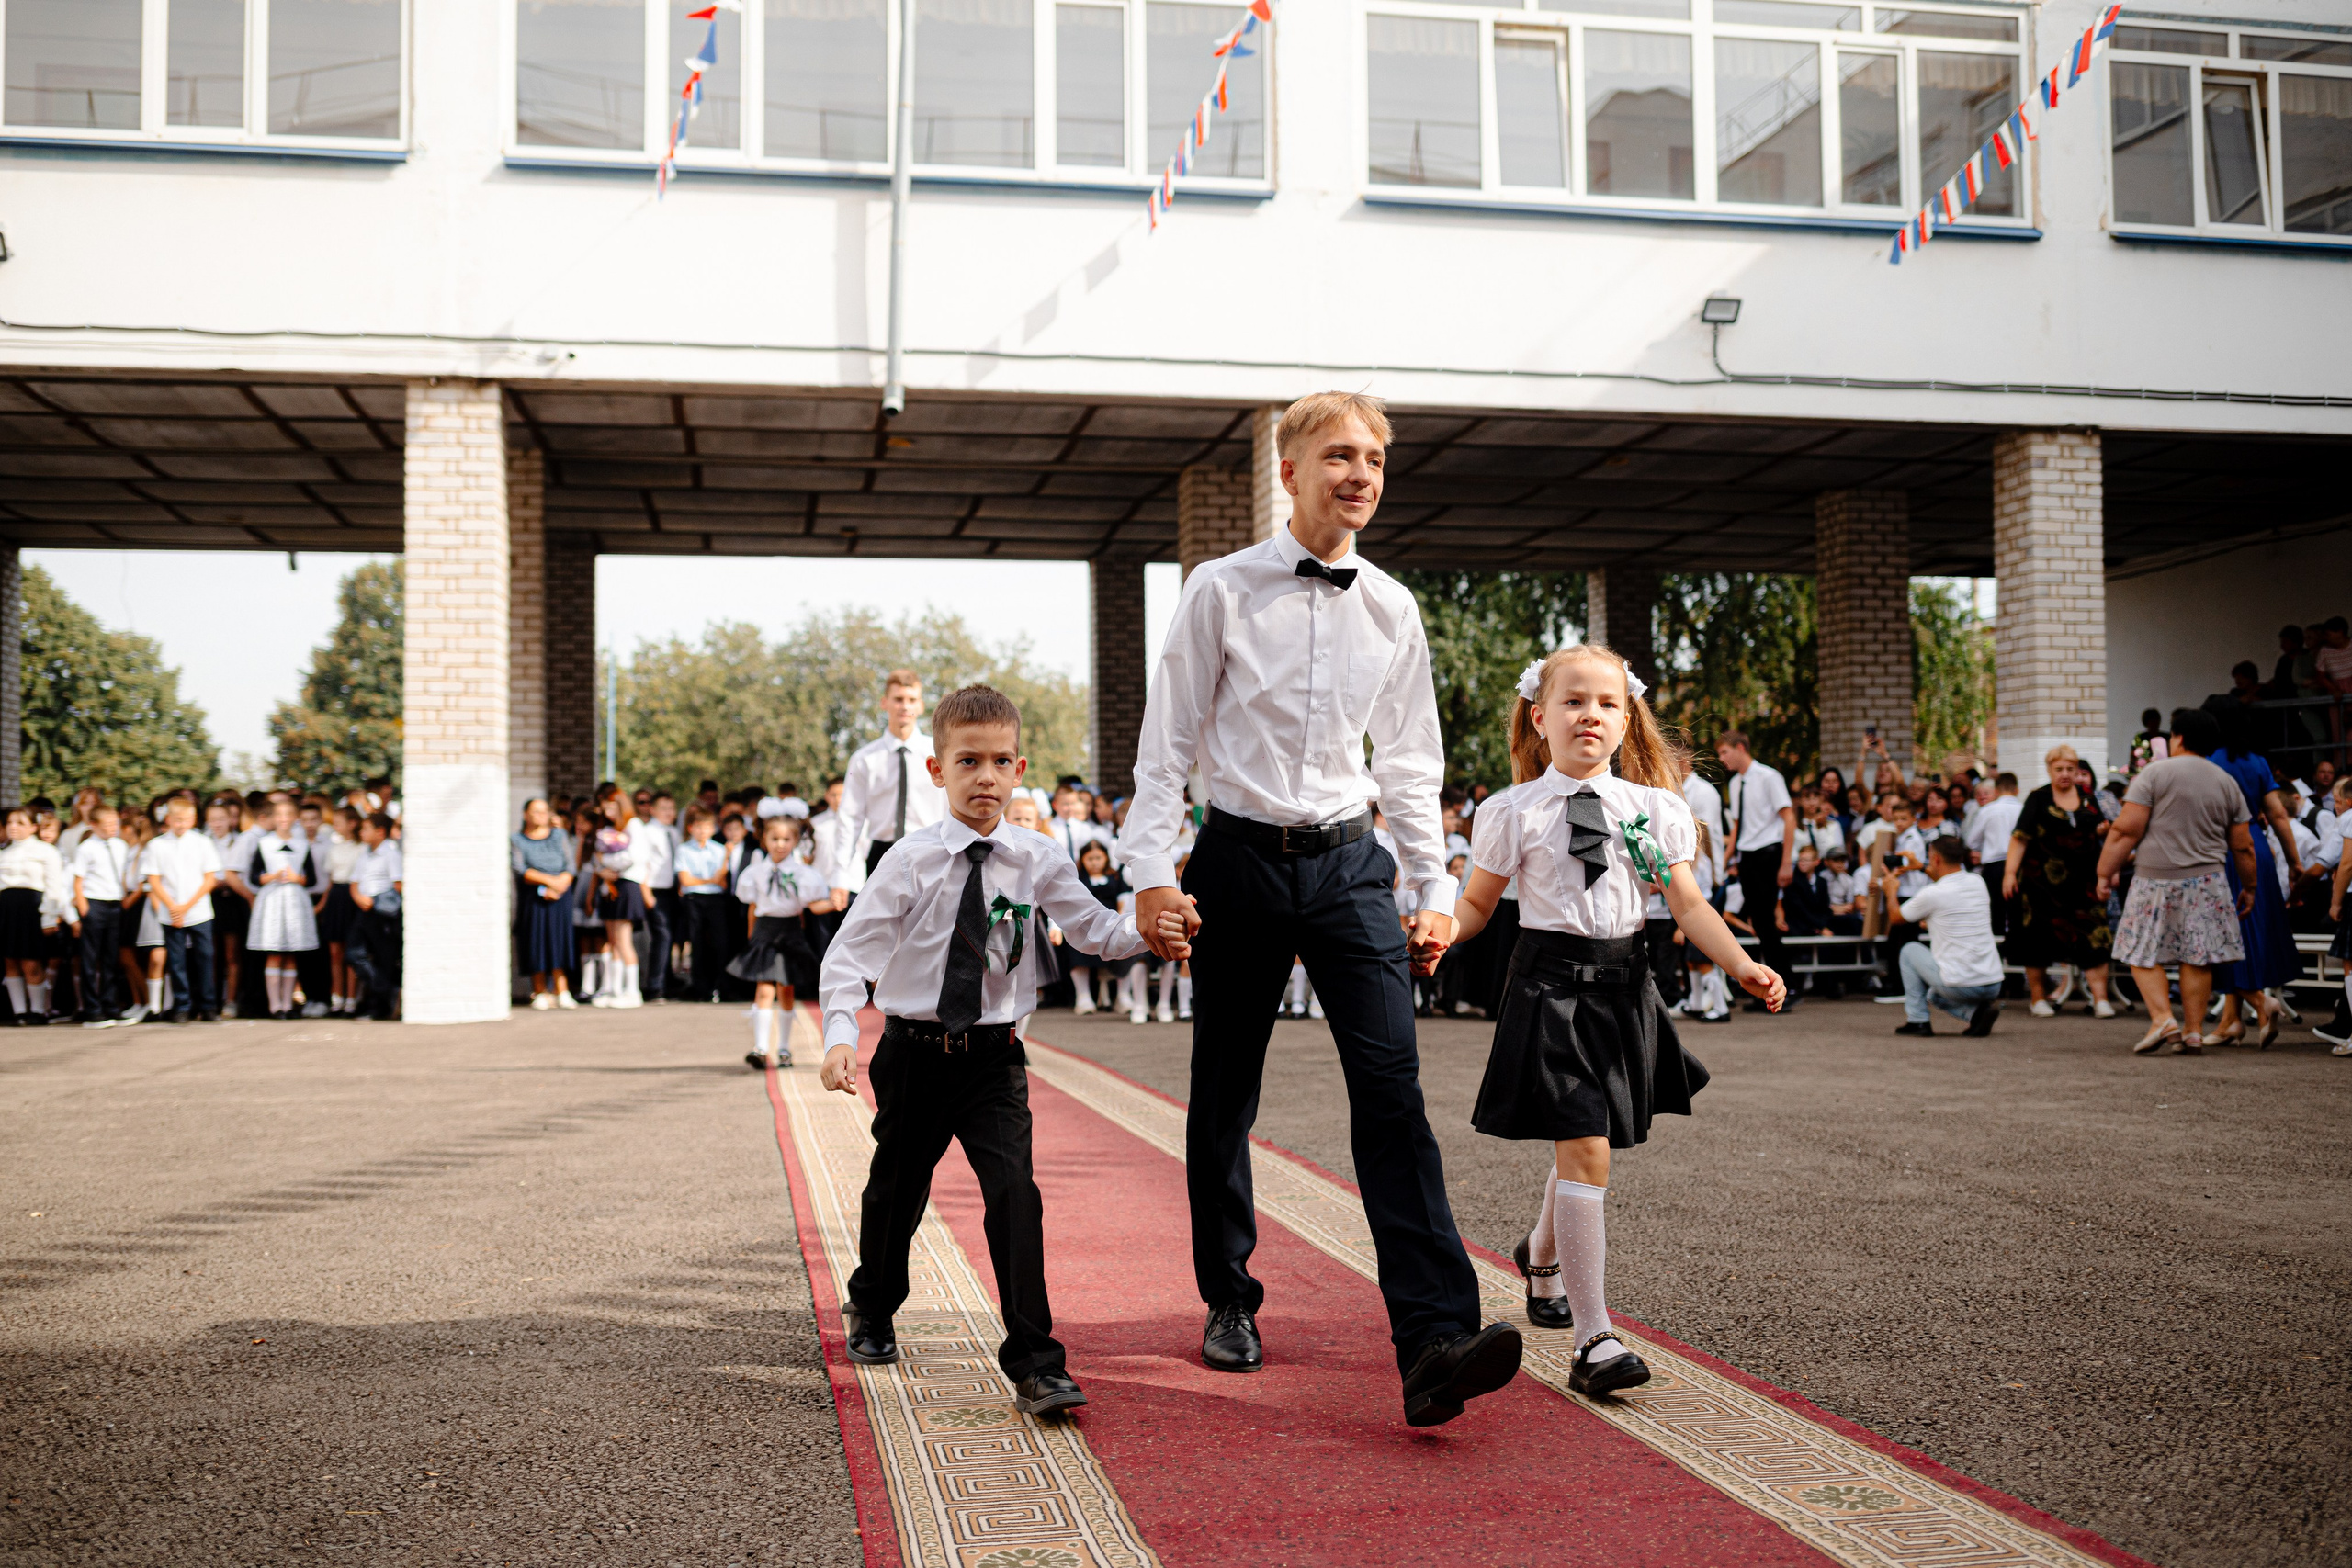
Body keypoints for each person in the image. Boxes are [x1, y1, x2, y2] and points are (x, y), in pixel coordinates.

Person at [1121, 390, 1522, 1428]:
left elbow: (1410, 759)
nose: (1361, 473)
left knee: (1392, 1094)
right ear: (1289, 471)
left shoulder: (1393, 606)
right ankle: (1229, 1297)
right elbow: (1165, 746)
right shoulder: (1218, 590)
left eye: (1377, 458)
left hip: (1350, 867)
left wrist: (1432, 888)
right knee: (1225, 1092)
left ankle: (1433, 1337)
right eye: (1340, 455)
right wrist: (1153, 872)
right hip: (1237, 863)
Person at [819, 683, 1170, 1419]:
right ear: (938, 771)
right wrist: (842, 1038)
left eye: (1000, 760)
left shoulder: (1038, 857)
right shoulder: (910, 860)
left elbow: (1097, 933)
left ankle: (1038, 1361)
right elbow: (849, 958)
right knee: (897, 1187)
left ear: (1019, 769)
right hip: (914, 1053)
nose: (986, 775)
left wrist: (1153, 926)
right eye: (968, 760)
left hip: (993, 1059)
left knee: (1015, 1195)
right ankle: (874, 1303)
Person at [1448, 645, 1782, 1396]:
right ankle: (1594, 1337)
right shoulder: (1512, 810)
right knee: (1588, 1144)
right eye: (1572, 701)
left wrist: (1742, 965)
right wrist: (1438, 933)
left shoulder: (1657, 809)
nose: (1589, 714)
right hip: (1549, 990)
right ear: (1540, 717)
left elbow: (1690, 906)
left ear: (1625, 717)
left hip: (1626, 988)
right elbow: (1476, 903)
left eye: (1605, 703)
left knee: (1585, 1140)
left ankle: (1540, 1258)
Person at [2098, 708, 2256, 1055]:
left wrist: (2104, 871)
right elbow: (2243, 845)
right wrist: (2250, 886)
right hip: (2208, 881)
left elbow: (2126, 830)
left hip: (2155, 879)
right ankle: (2194, 1031)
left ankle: (2163, 1020)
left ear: (2179, 738)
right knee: (2197, 957)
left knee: (2138, 948)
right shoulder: (2226, 781)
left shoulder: (2155, 774)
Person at [2209, 708, 2304, 1046]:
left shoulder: (2208, 760)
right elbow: (2277, 814)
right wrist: (2294, 861)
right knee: (2249, 931)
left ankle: (2262, 1005)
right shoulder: (2258, 762)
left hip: (2222, 847)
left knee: (2226, 934)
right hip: (2258, 847)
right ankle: (2230, 1021)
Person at [1998, 750, 2115, 1018]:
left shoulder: (2088, 797)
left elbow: (2102, 832)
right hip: (2041, 884)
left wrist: (2108, 865)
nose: (2065, 774)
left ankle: (2100, 1000)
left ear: (2077, 771)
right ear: (2050, 770)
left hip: (2084, 883)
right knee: (2037, 939)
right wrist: (2009, 873)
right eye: (2059, 769)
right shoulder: (2038, 798)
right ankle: (2038, 999)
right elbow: (2020, 838)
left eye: (2070, 769)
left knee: (2094, 937)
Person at [830, 670, 948, 887]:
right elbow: (849, 817)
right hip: (882, 854)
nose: (905, 706)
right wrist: (840, 875)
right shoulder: (864, 759)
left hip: (931, 850)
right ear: (884, 703)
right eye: (898, 699)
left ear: (920, 705)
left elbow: (951, 807)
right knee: (883, 922)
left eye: (912, 700)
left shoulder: (940, 754)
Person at [731, 815, 831, 1069]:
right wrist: (751, 937)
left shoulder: (803, 874)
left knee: (786, 991)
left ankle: (784, 1048)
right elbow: (753, 906)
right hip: (765, 932)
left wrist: (834, 902)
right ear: (764, 839)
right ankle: (761, 1047)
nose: (780, 844)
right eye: (775, 838)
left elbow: (812, 906)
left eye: (787, 839)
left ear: (796, 841)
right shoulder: (755, 873)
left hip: (789, 931)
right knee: (764, 989)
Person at [1884, 834, 2004, 1038]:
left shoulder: (1932, 893)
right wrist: (1921, 867)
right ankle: (1977, 1016)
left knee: (1909, 950)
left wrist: (1890, 890)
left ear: (1936, 859)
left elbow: (1896, 917)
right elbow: (1949, 886)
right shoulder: (1977, 882)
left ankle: (1918, 1020)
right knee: (1935, 995)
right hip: (1993, 982)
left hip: (1961, 986)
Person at [1717, 730, 1797, 1010]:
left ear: (1741, 748)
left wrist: (1787, 861)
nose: (1722, 759)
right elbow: (1738, 826)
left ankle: (1787, 985)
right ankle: (1767, 989)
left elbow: (1788, 817)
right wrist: (1725, 859)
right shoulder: (1737, 783)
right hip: (1748, 855)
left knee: (1767, 921)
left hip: (1769, 852)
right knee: (1759, 923)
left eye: (1725, 752)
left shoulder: (1768, 776)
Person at [141, 797, 225, 1024]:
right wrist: (172, 907)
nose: (182, 824)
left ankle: (208, 1006)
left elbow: (210, 879)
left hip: (198, 911)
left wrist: (186, 906)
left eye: (187, 820)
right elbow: (154, 880)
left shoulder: (202, 842)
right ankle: (182, 1006)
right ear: (168, 819)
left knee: (205, 958)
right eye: (177, 820)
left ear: (194, 820)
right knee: (177, 961)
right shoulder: (157, 845)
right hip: (171, 912)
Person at [245, 797, 320, 1020]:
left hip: (294, 899)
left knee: (291, 953)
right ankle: (274, 1004)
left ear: (294, 818)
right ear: (272, 818)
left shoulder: (302, 844)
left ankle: (288, 1003)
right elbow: (254, 876)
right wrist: (273, 876)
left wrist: (298, 878)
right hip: (273, 899)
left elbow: (312, 878)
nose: (284, 819)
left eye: (288, 815)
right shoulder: (264, 843)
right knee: (274, 952)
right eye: (279, 815)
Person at [0, 806, 69, 1024]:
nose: (13, 827)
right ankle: (20, 1011)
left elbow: (53, 886)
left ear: (33, 827)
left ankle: (38, 1010)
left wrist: (49, 916)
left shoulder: (46, 851)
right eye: (10, 822)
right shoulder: (3, 852)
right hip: (6, 909)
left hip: (31, 909)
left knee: (31, 961)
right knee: (10, 960)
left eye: (20, 823)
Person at [513, 798, 577, 1010]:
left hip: (560, 895)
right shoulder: (517, 840)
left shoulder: (559, 836)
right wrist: (549, 883)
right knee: (536, 941)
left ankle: (562, 990)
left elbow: (570, 865)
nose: (540, 815)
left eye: (544, 811)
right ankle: (540, 990)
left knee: (560, 940)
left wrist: (560, 885)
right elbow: (521, 869)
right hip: (534, 897)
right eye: (535, 811)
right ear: (526, 814)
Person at [71, 806, 130, 1027]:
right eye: (107, 825)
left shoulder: (120, 845)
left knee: (111, 957)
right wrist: (84, 907)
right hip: (94, 903)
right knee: (90, 958)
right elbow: (78, 879)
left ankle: (110, 1005)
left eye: (115, 824)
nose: (113, 828)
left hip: (115, 902)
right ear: (94, 826)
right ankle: (92, 1008)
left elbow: (123, 873)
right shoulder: (87, 848)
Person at [590, 784, 647, 1009]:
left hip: (627, 884)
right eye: (605, 810)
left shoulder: (634, 825)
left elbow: (633, 857)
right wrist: (601, 869)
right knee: (612, 940)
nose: (608, 814)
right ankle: (614, 989)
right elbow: (597, 856)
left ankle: (632, 991)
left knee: (624, 940)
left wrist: (606, 863)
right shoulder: (610, 829)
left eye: (612, 808)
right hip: (610, 885)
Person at [347, 812, 403, 1021]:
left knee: (383, 959)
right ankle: (388, 989)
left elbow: (398, 885)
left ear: (380, 832)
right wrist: (358, 897)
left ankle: (380, 1006)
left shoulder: (391, 854)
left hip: (382, 913)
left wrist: (380, 901)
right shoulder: (365, 854)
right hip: (364, 910)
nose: (362, 833)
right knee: (354, 954)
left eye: (366, 829)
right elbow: (355, 882)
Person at [675, 805, 730, 1004]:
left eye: (707, 827)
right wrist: (708, 880)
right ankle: (700, 988)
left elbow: (721, 880)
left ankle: (718, 987)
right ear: (691, 828)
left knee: (719, 943)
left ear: (713, 828)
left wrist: (702, 879)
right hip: (693, 901)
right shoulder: (683, 850)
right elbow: (686, 881)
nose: (703, 831)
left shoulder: (719, 849)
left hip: (715, 900)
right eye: (699, 827)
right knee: (696, 943)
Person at [639, 792, 683, 1003]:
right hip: (655, 889)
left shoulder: (673, 832)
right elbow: (643, 863)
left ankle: (667, 979)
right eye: (663, 808)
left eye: (671, 809)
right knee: (662, 935)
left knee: (669, 936)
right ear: (653, 810)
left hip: (671, 890)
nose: (669, 813)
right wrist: (646, 892)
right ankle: (654, 986)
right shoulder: (647, 832)